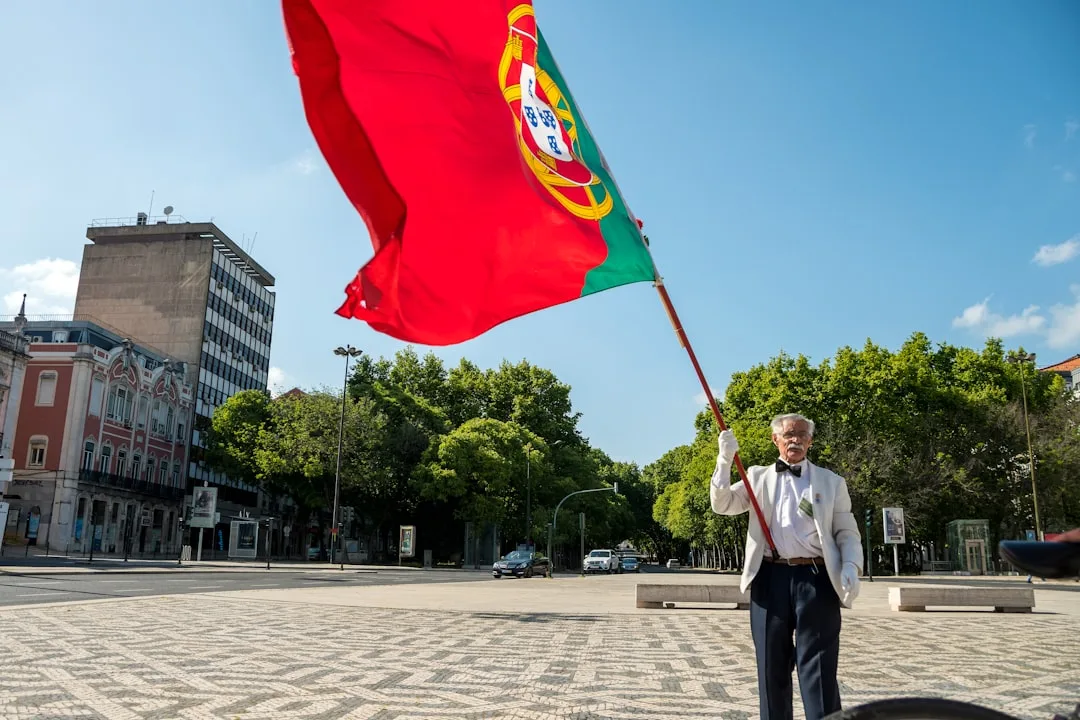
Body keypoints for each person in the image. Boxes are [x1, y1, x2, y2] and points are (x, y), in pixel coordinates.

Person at [711, 413, 864, 720]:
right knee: (771, 667)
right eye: (789, 435)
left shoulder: (832, 482)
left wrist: (851, 564)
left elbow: (846, 531)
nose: (795, 440)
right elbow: (723, 504)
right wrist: (724, 461)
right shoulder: (756, 477)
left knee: (819, 669)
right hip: (769, 578)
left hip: (817, 579)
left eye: (802, 435)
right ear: (775, 439)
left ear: (810, 441)